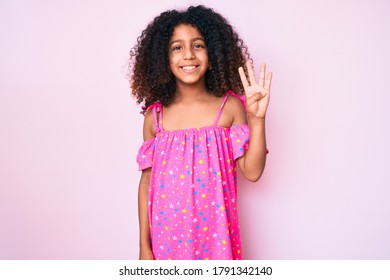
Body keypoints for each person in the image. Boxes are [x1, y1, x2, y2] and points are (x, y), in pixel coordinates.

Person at [129, 5, 272, 260]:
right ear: (164, 58)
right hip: (167, 240)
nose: (188, 55)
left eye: (198, 45)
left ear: (213, 53)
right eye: (177, 47)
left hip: (217, 240)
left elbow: (252, 172)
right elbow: (146, 184)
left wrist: (256, 120)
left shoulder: (229, 108)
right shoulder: (156, 117)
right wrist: (143, 245)